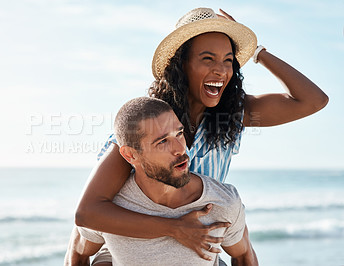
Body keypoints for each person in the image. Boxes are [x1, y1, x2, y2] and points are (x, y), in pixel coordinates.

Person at [69, 7, 328, 265]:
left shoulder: (233, 115)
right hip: (131, 245)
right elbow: (88, 214)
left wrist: (258, 52)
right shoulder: (148, 124)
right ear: (181, 64)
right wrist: (174, 228)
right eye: (208, 59)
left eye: (228, 60)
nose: (221, 71)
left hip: (199, 247)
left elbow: (313, 100)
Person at [66, 97, 257, 266]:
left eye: (179, 134)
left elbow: (243, 256)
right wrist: (174, 228)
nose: (180, 149)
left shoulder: (222, 202)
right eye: (162, 141)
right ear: (130, 155)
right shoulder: (111, 208)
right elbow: (78, 253)